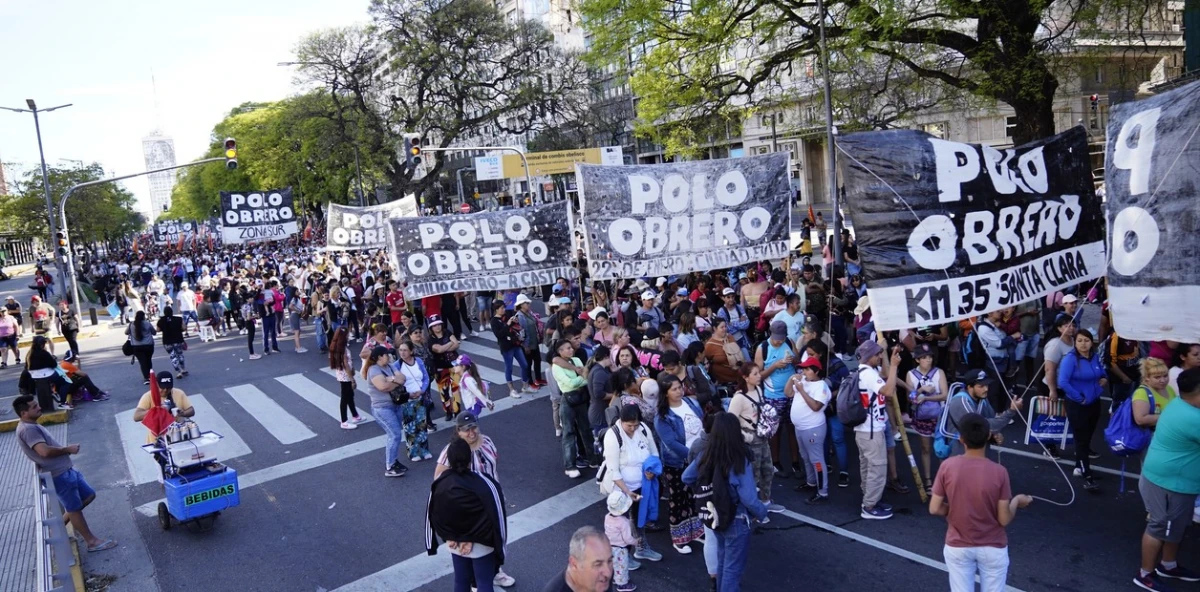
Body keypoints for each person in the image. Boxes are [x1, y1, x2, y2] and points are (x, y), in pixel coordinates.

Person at [929, 413, 1033, 592]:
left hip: (958, 544)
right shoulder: (999, 472)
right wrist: (1016, 501)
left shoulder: (948, 466)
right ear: (987, 437)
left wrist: (954, 509)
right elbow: (1004, 519)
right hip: (992, 546)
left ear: (961, 439)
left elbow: (935, 508)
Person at [12, 395, 117, 553]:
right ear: (23, 413)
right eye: (34, 407)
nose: (39, 407)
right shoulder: (28, 429)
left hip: (66, 470)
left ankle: (58, 530)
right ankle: (92, 542)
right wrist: (68, 449)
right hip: (58, 475)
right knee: (74, 508)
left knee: (88, 495)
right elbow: (44, 452)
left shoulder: (32, 425)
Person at [682, 412, 769, 592]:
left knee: (722, 561)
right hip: (736, 518)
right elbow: (749, 498)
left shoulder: (706, 455)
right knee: (733, 569)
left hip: (716, 517)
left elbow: (686, 477)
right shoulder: (739, 459)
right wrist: (762, 513)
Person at [1134, 367, 1200, 590]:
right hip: (1169, 482)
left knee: (1177, 525)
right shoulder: (1193, 417)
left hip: (1173, 479)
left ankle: (1168, 565)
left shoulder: (1179, 403)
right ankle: (1145, 574)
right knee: (1160, 526)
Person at [425, 438, 508, 592]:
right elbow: (497, 516)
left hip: (454, 542)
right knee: (484, 582)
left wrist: (451, 537)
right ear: (470, 457)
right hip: (482, 543)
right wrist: (499, 550)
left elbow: (434, 514)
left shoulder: (439, 483)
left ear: (448, 459)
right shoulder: (485, 483)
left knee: (461, 581)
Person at [598, 404, 663, 563]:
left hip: (642, 484)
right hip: (620, 488)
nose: (633, 428)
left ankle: (641, 548)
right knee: (621, 524)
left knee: (639, 518)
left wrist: (652, 470)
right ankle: (621, 557)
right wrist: (627, 492)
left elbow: (654, 452)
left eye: (635, 425)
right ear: (621, 421)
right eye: (629, 425)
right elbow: (614, 471)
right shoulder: (613, 436)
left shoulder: (643, 429)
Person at [653, 374, 705, 554]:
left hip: (699, 457)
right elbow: (671, 444)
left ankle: (696, 531)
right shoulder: (663, 416)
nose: (679, 391)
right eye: (674, 389)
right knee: (678, 500)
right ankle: (679, 539)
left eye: (680, 387)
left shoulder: (691, 403)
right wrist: (693, 456)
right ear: (665, 393)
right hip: (677, 463)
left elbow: (702, 422)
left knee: (695, 496)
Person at [727, 363, 785, 515]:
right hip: (750, 439)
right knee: (753, 476)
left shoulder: (759, 390)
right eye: (755, 374)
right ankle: (752, 510)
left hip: (762, 436)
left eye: (758, 373)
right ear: (745, 378)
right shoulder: (738, 398)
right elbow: (730, 423)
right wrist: (746, 437)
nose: (759, 376)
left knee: (768, 470)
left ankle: (766, 501)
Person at [853, 339, 902, 520]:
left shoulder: (864, 372)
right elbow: (888, 391)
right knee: (877, 468)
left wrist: (890, 357)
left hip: (863, 429)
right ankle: (869, 506)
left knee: (867, 467)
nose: (880, 356)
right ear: (869, 356)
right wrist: (895, 366)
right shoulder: (869, 375)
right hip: (871, 431)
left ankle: (870, 498)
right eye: (878, 354)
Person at [1057, 329, 1106, 491]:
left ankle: (1080, 465)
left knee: (1088, 435)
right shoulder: (1070, 359)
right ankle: (1087, 474)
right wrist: (1080, 398)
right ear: (1075, 342)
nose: (1083, 344)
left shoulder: (1094, 357)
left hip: (1094, 402)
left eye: (1086, 340)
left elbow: (1101, 372)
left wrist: (1104, 379)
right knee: (1081, 438)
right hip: (1077, 405)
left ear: (1092, 342)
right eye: (1079, 341)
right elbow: (1063, 382)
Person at [756, 321, 799, 476]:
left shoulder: (789, 342)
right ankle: (775, 461)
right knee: (775, 431)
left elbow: (798, 359)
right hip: (773, 395)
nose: (779, 341)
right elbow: (757, 376)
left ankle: (795, 461)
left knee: (792, 427)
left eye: (781, 338)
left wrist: (793, 360)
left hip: (792, 393)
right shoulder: (763, 348)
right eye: (776, 339)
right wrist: (774, 366)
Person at [788, 356, 832, 503]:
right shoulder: (803, 381)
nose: (804, 371)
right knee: (805, 457)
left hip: (813, 428)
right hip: (800, 427)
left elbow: (816, 407)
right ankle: (811, 482)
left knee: (816, 460)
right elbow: (787, 393)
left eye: (807, 369)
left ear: (816, 371)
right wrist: (791, 380)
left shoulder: (822, 386)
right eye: (803, 368)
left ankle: (822, 492)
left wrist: (801, 390)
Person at [905, 343, 948, 494]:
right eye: (924, 358)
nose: (928, 360)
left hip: (939, 416)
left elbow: (945, 395)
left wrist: (926, 398)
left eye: (929, 357)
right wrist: (921, 390)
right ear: (917, 360)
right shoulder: (910, 374)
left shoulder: (939, 372)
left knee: (941, 449)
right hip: (922, 417)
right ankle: (928, 480)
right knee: (925, 448)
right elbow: (910, 398)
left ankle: (943, 480)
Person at [363, 345, 410, 478]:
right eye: (386, 355)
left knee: (394, 434)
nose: (389, 357)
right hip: (382, 408)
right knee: (394, 435)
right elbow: (383, 387)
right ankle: (389, 466)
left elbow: (403, 378)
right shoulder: (373, 370)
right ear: (379, 357)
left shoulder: (389, 366)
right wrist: (395, 381)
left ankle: (394, 461)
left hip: (395, 405)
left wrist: (392, 380)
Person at [553, 339, 594, 478]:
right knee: (569, 432)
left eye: (571, 348)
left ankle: (592, 458)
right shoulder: (557, 367)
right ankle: (570, 465)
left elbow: (587, 378)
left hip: (582, 397)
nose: (571, 350)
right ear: (560, 352)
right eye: (567, 348)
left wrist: (583, 378)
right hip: (568, 399)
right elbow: (569, 384)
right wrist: (582, 378)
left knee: (586, 429)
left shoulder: (576, 360)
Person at [541, 526, 614, 592]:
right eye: (598, 564)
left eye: (610, 561)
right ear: (574, 564)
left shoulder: (603, 576)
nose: (608, 573)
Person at [328, 327, 364, 429]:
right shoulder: (342, 349)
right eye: (347, 334)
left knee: (349, 395)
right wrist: (352, 379)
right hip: (346, 376)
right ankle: (344, 421)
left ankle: (355, 415)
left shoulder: (336, 346)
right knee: (345, 397)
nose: (349, 336)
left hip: (342, 375)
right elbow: (346, 365)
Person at [605, 491, 639, 592]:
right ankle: (622, 584)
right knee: (621, 565)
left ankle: (615, 578)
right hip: (620, 548)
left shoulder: (607, 517)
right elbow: (627, 538)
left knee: (613, 564)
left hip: (608, 545)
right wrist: (636, 541)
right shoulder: (624, 522)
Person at [1133, 357, 1176, 431]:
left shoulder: (1169, 388)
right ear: (1147, 378)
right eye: (1157, 377)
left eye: (1165, 376)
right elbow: (1140, 419)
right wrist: (1170, 417)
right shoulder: (1141, 393)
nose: (1163, 380)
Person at [515, 294, 547, 388]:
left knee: (537, 360)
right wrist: (525, 346)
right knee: (528, 364)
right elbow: (520, 333)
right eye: (526, 303)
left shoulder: (529, 313)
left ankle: (538, 378)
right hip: (527, 344)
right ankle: (530, 382)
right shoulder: (519, 316)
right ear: (521, 305)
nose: (528, 304)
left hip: (534, 342)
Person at [26, 335, 61, 411]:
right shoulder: (44, 353)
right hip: (46, 375)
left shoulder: (29, 354)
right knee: (61, 378)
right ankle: (56, 392)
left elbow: (27, 367)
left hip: (33, 376)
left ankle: (52, 391)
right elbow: (53, 365)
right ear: (42, 344)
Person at [157, 306, 188, 380]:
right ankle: (183, 369)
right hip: (178, 340)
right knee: (180, 354)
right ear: (172, 312)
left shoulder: (161, 320)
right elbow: (184, 328)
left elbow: (157, 330)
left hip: (167, 342)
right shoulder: (178, 319)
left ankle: (178, 372)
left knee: (173, 356)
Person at [287, 288, 308, 353]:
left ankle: (297, 346)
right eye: (297, 291)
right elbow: (290, 306)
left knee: (298, 331)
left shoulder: (297, 299)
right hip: (295, 315)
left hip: (297, 315)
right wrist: (297, 310)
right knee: (297, 331)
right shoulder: (294, 299)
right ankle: (298, 348)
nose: (298, 292)